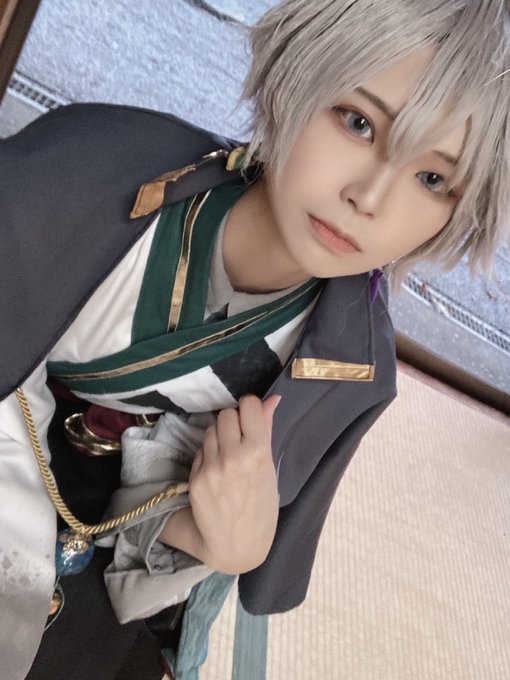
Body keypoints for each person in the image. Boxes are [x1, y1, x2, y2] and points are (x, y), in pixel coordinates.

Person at [1, 1, 508, 678]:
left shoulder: (351, 365)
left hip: (97, 560)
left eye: (433, 178)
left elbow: (192, 541)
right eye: (359, 122)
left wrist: (220, 542)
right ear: (299, 71)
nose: (370, 197)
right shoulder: (94, 160)